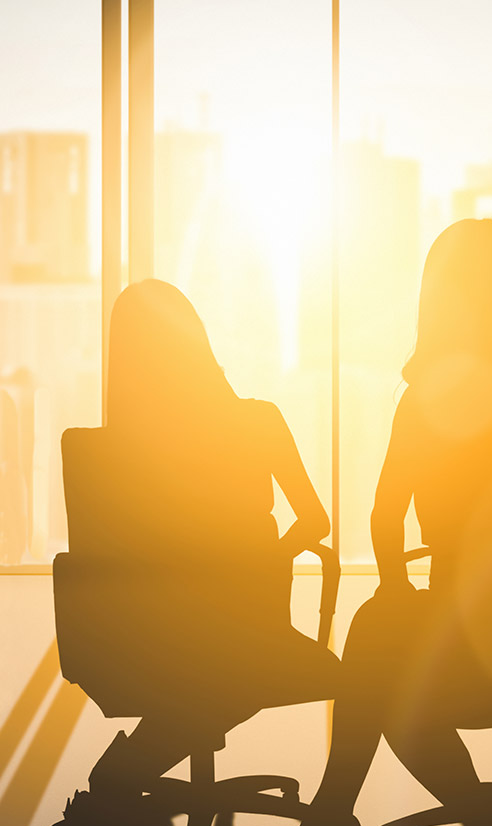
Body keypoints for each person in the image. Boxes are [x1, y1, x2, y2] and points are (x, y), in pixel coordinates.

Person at [267, 219, 492, 826]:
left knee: (375, 653)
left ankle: (388, 816)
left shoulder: (428, 399)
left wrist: (400, 593)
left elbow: (384, 516)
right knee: (383, 661)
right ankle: (464, 813)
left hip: (469, 629)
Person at [73, 278, 338, 795]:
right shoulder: (260, 420)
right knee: (237, 676)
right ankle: (124, 771)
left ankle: (127, 769)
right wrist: (271, 556)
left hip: (147, 635)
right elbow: (316, 522)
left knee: (209, 675)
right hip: (248, 628)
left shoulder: (117, 453)